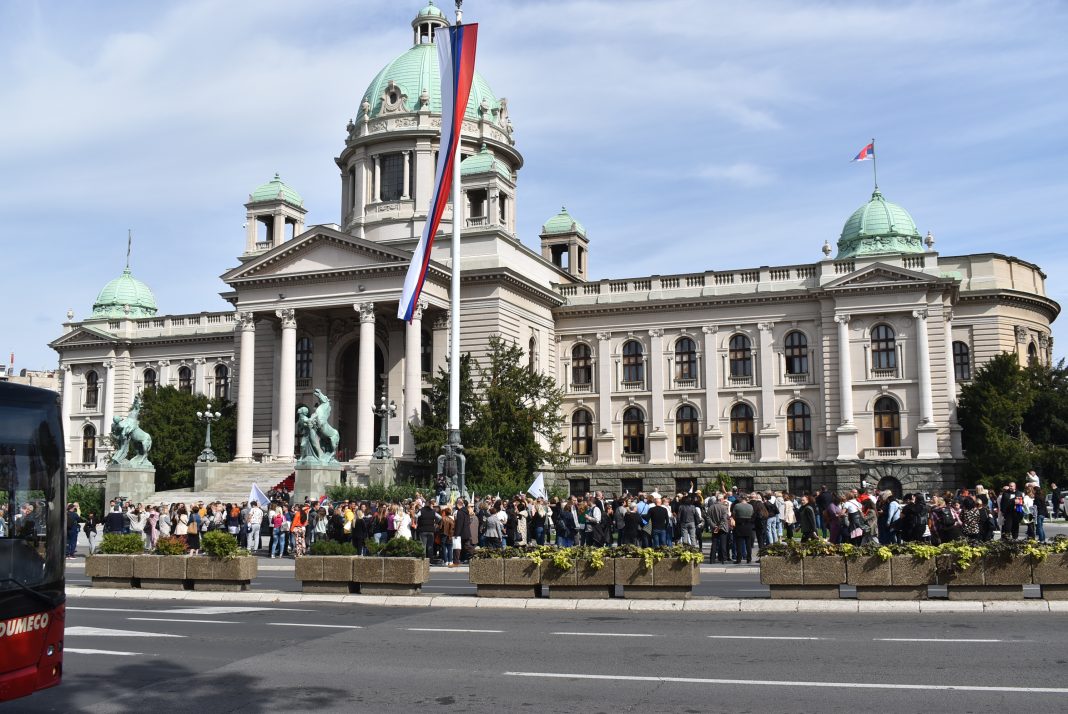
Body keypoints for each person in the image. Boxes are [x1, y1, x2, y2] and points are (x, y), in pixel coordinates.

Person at [730, 496, 755, 564]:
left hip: (739, 525)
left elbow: (733, 514)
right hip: (748, 525)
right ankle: (749, 559)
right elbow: (752, 514)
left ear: (741, 499)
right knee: (748, 544)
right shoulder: (750, 506)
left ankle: (739, 559)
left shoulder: (737, 506)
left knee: (739, 544)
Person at [707, 494, 732, 563]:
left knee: (714, 544)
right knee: (723, 544)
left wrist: (714, 526)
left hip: (714, 528)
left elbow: (708, 518)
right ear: (721, 499)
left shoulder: (711, 507)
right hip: (723, 528)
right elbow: (724, 519)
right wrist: (719, 526)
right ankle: (723, 559)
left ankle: (712, 559)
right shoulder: (724, 508)